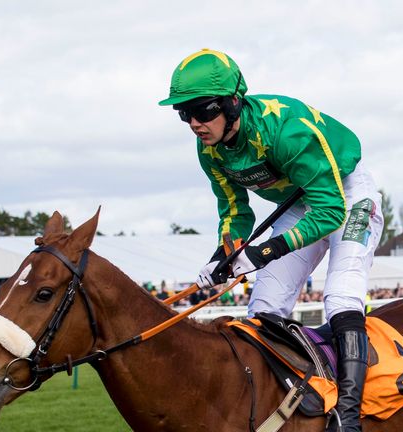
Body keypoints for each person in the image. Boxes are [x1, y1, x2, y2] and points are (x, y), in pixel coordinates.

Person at [160, 48, 384, 432]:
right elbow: (235, 213)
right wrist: (223, 255)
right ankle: (271, 406)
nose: (195, 123)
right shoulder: (210, 150)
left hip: (346, 196)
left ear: (233, 103)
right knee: (263, 309)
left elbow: (330, 211)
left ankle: (349, 417)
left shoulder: (286, 129)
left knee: (340, 295)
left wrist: (266, 250)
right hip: (297, 202)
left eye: (203, 110)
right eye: (185, 113)